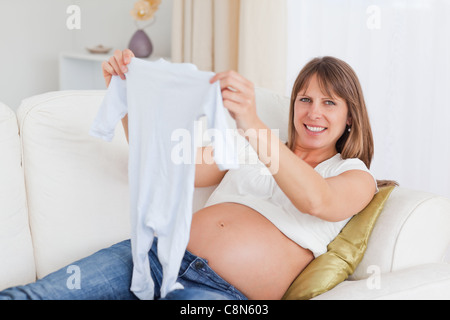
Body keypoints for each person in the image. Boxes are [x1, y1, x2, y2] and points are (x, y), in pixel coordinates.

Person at [0, 50, 381, 300]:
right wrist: (127, 98)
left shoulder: (354, 175)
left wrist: (249, 121)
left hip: (221, 295)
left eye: (330, 102)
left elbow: (316, 200)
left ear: (350, 117)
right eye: (306, 99)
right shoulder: (249, 146)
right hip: (153, 257)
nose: (314, 112)